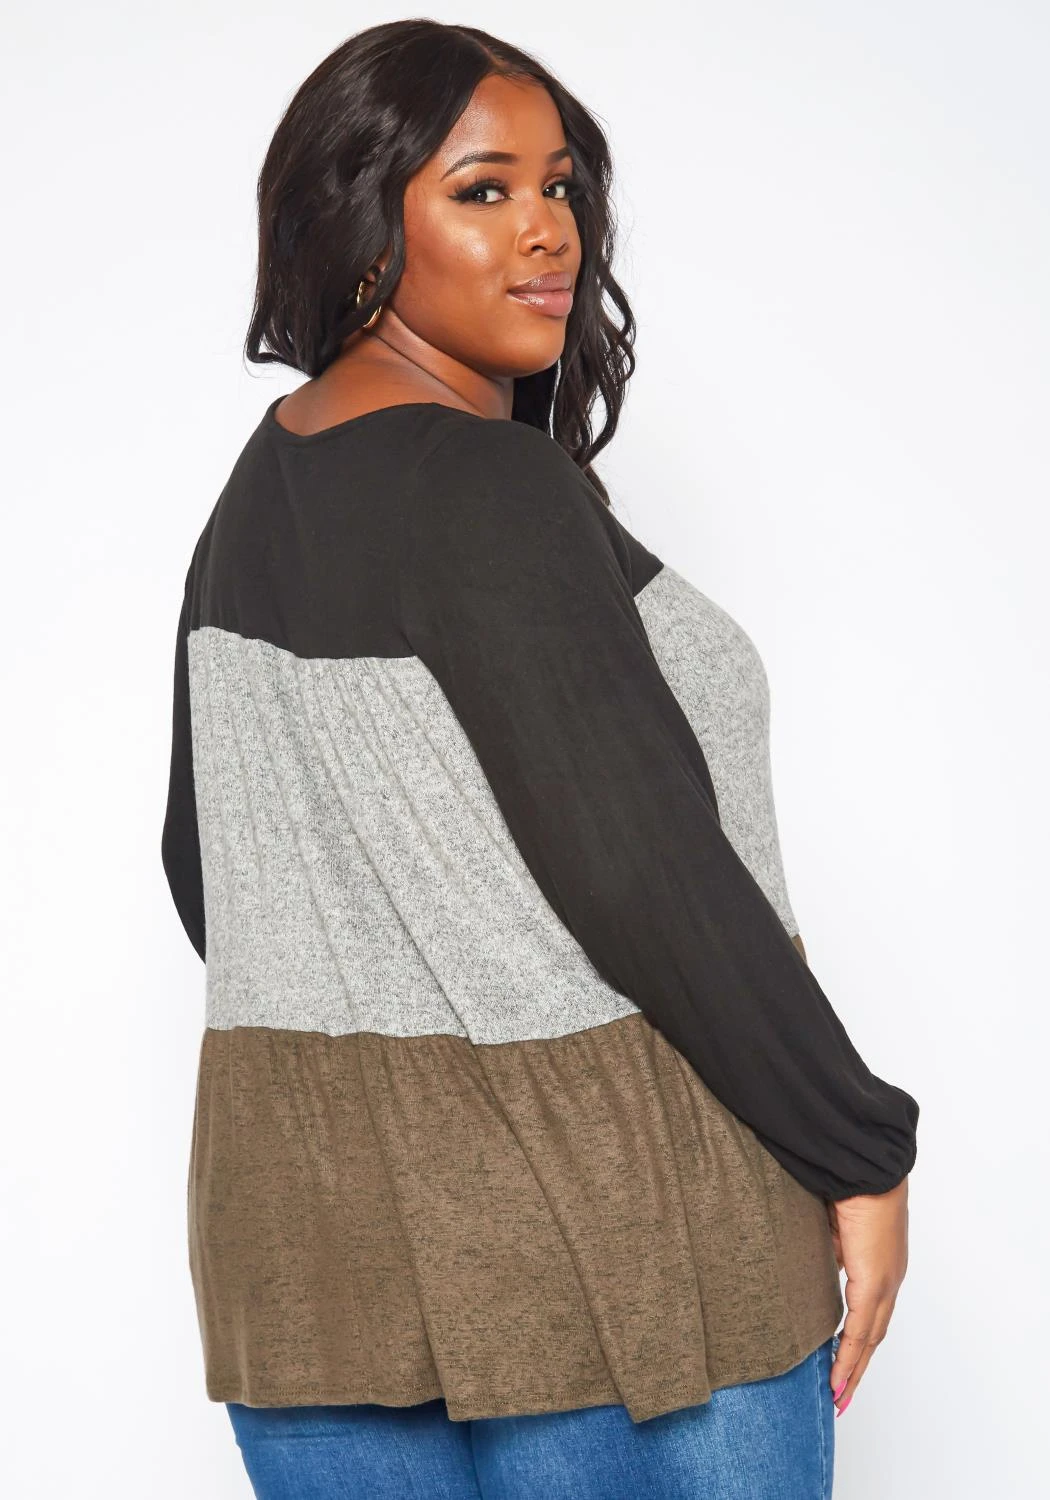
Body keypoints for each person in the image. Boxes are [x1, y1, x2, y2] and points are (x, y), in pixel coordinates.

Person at [160, 19, 919, 1499]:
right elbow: (644, 872)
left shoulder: (262, 488)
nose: (547, 231)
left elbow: (209, 870)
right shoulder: (486, 485)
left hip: (307, 1260)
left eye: (558, 185)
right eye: (483, 190)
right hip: (621, 1250)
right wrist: (859, 1150)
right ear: (361, 227)